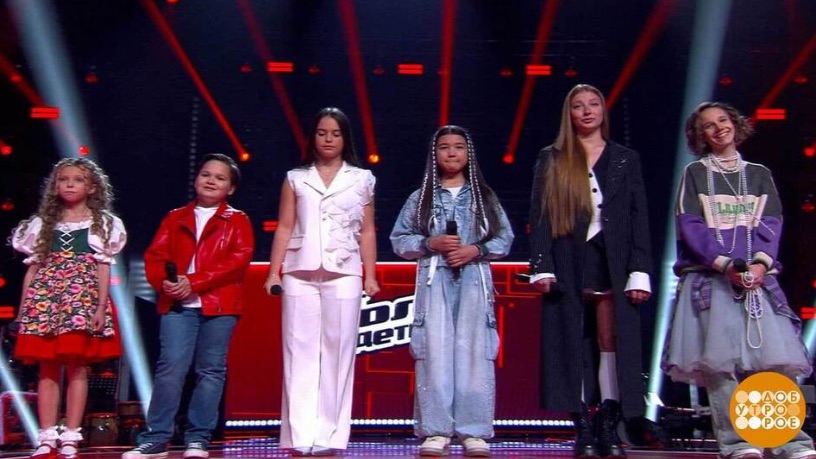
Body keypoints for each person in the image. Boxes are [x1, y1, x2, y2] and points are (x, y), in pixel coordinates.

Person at [662, 102, 816, 459]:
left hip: (757, 280)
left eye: (723, 120)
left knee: (772, 362)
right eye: (708, 125)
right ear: (700, 136)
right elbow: (690, 226)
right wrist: (725, 264)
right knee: (720, 365)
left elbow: (772, 223)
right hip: (711, 279)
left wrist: (760, 265)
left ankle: (787, 441)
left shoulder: (759, 174)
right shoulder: (695, 173)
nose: (718, 128)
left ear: (735, 124)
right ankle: (738, 443)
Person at [528, 84, 652, 458]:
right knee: (570, 341)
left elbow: (639, 218)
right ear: (569, 114)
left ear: (602, 110)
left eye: (593, 104)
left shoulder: (625, 158)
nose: (587, 111)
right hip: (568, 259)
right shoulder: (552, 158)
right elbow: (540, 215)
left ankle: (608, 424)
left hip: (613, 261)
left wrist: (639, 270)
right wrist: (542, 265)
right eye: (578, 106)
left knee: (610, 340)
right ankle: (581, 424)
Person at [391, 125, 514, 457]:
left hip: (474, 281)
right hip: (434, 283)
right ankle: (436, 430)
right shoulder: (421, 199)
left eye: (458, 147)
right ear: (435, 154)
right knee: (435, 353)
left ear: (468, 153)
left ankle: (474, 431)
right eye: (444, 147)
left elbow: (504, 239)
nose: (451, 153)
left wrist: (476, 250)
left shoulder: (484, 197)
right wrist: (429, 243)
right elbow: (399, 240)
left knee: (475, 353)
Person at [263, 107, 380, 457]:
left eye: (335, 133)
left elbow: (368, 230)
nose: (328, 139)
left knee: (338, 353)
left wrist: (370, 275)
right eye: (322, 132)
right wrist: (273, 272)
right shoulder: (296, 178)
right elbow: (285, 226)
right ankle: (300, 435)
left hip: (344, 271)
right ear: (312, 137)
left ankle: (330, 435)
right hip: (299, 271)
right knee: (298, 351)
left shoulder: (362, 178)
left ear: (345, 138)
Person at [123, 153, 254, 459]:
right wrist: (165, 284)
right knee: (170, 368)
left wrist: (193, 282)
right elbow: (155, 257)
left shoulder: (238, 220)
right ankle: (157, 437)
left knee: (210, 371)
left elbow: (238, 261)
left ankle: (198, 438)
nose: (211, 181)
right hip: (178, 306)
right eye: (206, 174)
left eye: (220, 178)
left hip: (220, 307)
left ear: (231, 188)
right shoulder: (175, 217)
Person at [11, 157, 127, 459]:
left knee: (78, 367)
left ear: (91, 187)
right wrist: (24, 310)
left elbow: (103, 268)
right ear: (55, 186)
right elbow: (33, 269)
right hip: (46, 300)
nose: (70, 185)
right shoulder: (42, 224)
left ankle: (71, 435)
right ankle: (47, 436)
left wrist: (100, 307)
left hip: (81, 301)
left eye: (77, 180)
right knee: (47, 368)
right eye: (63, 179)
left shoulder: (103, 223)